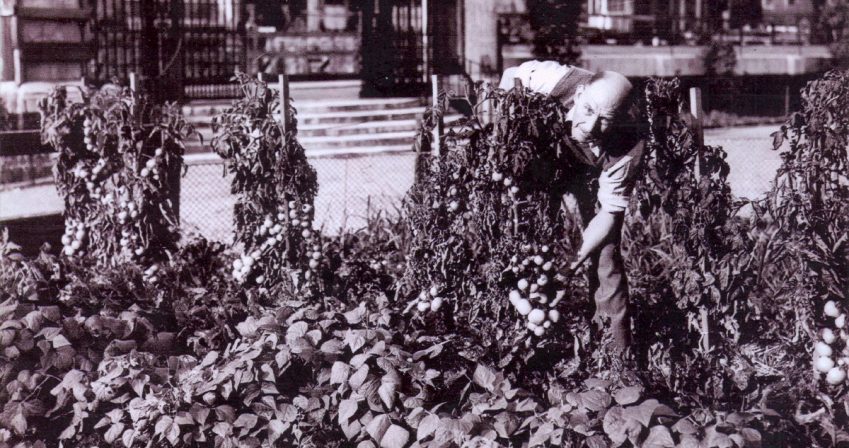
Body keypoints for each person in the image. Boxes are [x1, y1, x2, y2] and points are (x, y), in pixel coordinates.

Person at [499, 60, 644, 355]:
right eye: (588, 110)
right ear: (578, 96)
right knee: (527, 242)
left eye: (606, 120)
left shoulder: (629, 146)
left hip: (594, 169)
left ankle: (616, 357)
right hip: (546, 154)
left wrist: (567, 270)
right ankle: (519, 345)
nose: (591, 126)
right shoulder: (549, 80)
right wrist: (508, 137)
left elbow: (609, 214)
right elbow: (508, 78)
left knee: (606, 255)